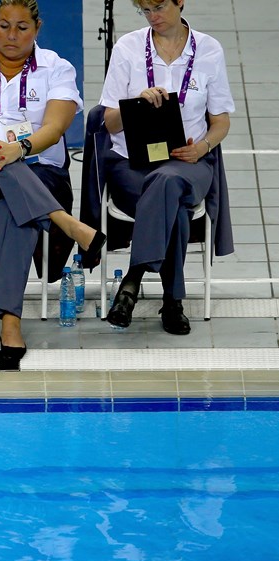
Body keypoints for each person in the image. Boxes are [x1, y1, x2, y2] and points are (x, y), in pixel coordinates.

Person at [0, 0, 104, 369]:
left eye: (22, 27)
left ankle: (10, 321)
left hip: (38, 170)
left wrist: (16, 149)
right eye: (4, 25)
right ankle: (66, 223)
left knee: (12, 207)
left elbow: (55, 128)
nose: (11, 36)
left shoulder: (57, 68)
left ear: (37, 29)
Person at [100, 0, 233, 335]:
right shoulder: (128, 48)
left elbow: (220, 122)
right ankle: (172, 301)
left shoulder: (209, 50)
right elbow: (110, 124)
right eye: (145, 10)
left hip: (189, 161)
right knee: (170, 198)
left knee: (169, 180)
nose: (153, 16)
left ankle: (132, 279)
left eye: (158, 6)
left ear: (180, 1)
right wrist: (136, 105)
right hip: (133, 164)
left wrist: (202, 147)